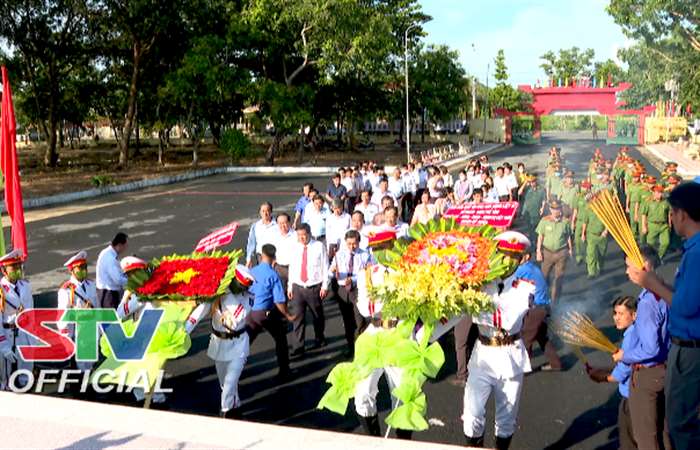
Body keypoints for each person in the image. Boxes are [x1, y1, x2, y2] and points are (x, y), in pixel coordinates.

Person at [626, 182, 700, 450]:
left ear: (680, 214)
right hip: (686, 349)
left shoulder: (697, 252)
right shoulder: (692, 248)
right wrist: (655, 281)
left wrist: (650, 283)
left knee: (682, 424)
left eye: (672, 213)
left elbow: (685, 306)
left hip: (690, 351)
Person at [463, 231, 537, 450]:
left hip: (509, 356)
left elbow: (509, 317)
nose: (507, 261)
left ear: (522, 259)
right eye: (502, 254)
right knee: (471, 416)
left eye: (513, 257)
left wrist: (477, 290)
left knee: (506, 420)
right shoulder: (478, 282)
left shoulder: (526, 287)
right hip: (483, 354)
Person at [353, 230, 413, 440]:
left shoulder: (408, 272)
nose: (381, 252)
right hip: (375, 332)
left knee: (402, 393)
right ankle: (373, 440)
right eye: (376, 249)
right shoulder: (366, 274)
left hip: (400, 332)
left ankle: (403, 441)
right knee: (362, 391)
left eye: (385, 247)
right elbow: (365, 308)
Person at [612, 247, 671, 450]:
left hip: (648, 373)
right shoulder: (663, 289)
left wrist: (625, 356)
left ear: (645, 266)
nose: (626, 271)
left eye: (629, 267)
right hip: (666, 369)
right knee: (663, 430)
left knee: (645, 435)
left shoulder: (646, 302)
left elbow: (650, 349)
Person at [185, 265, 255, 418]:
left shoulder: (248, 297)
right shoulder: (216, 295)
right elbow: (198, 313)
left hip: (238, 345)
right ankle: (235, 407)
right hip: (219, 344)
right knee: (225, 383)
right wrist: (185, 331)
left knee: (230, 382)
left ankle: (224, 412)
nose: (243, 288)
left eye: (245, 286)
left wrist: (225, 294)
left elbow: (237, 318)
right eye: (240, 285)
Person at [585, 296, 638, 450]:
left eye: (621, 314)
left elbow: (621, 373)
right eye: (615, 313)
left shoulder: (631, 338)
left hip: (632, 397)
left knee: (629, 439)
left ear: (634, 315)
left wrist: (600, 377)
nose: (616, 318)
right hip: (636, 394)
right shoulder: (636, 331)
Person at [246, 244, 294, 380]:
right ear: (274, 257)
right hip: (265, 313)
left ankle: (235, 369)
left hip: (251, 312)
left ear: (261, 256)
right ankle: (284, 371)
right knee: (280, 338)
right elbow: (279, 300)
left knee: (245, 342)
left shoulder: (253, 271)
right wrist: (287, 315)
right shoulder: (273, 275)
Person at [288, 223, 329, 357]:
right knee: (298, 318)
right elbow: (292, 268)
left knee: (317, 315)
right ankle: (298, 346)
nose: (301, 238)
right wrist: (290, 286)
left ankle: (319, 338)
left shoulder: (319, 246)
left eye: (304, 235)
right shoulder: (294, 247)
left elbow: (325, 267)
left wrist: (325, 286)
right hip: (298, 287)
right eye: (299, 236)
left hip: (314, 287)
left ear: (309, 234)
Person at [516, 251, 562, 371]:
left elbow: (508, 281)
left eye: (518, 256)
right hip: (544, 308)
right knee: (542, 337)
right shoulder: (531, 267)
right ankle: (556, 364)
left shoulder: (522, 269)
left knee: (525, 339)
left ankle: (522, 369)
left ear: (527, 256)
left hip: (536, 309)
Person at [329, 230, 370, 357]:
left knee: (360, 320)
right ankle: (350, 346)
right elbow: (331, 272)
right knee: (347, 320)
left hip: (357, 289)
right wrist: (332, 271)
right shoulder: (339, 254)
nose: (352, 246)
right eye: (349, 244)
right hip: (342, 290)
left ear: (359, 242)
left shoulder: (365, 255)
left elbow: (367, 273)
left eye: (354, 244)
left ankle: (361, 347)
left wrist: (352, 279)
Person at [57, 250, 98, 373]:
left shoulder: (91, 284)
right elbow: (63, 315)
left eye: (85, 267)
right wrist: (66, 337)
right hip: (76, 331)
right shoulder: (66, 290)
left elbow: (97, 307)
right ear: (72, 270)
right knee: (79, 367)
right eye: (80, 267)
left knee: (90, 364)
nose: (83, 270)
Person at [0, 250, 34, 390]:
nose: (17, 270)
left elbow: (31, 312)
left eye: (18, 266)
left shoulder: (25, 285)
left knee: (25, 372)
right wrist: (3, 345)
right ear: (4, 270)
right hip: (8, 334)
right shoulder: (1, 289)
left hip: (24, 334)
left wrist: (33, 337)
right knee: (6, 377)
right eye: (13, 267)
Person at [535, 200, 572, 302]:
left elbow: (568, 236)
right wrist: (538, 251)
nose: (556, 211)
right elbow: (540, 236)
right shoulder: (544, 221)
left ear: (561, 210)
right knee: (544, 277)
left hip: (561, 252)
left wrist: (570, 249)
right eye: (554, 209)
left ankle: (555, 302)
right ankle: (542, 298)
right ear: (550, 209)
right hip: (547, 253)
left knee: (559, 278)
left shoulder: (565, 222)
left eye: (558, 209)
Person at [96, 232, 128, 308]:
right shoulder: (111, 259)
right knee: (112, 318)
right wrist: (131, 280)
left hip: (103, 293)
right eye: (125, 246)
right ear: (119, 245)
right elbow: (118, 280)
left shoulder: (105, 252)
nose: (125, 248)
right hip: (110, 296)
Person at [581, 192, 609, 278]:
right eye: (589, 201)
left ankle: (600, 268)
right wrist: (583, 234)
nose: (591, 201)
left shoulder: (604, 209)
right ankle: (591, 272)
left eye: (592, 199)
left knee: (601, 254)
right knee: (591, 254)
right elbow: (585, 222)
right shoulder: (588, 209)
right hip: (591, 235)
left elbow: (609, 221)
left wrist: (606, 230)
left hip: (602, 236)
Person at [641, 185, 672, 260]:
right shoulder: (648, 202)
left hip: (664, 225)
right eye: (658, 193)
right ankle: (647, 259)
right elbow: (644, 214)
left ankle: (659, 257)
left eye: (661, 192)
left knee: (666, 242)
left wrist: (670, 224)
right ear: (654, 193)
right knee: (650, 244)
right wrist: (644, 226)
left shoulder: (665, 202)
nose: (660, 194)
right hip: (652, 225)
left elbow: (669, 213)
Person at [246, 202, 277, 267]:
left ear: (271, 212)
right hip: (260, 256)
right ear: (260, 212)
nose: (265, 213)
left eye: (267, 211)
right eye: (263, 211)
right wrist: (249, 259)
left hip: (274, 257)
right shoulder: (256, 226)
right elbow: (251, 243)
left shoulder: (277, 225)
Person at [272, 213, 296, 294]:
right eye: (280, 223)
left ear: (289, 222)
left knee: (294, 293)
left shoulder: (296, 235)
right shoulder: (274, 236)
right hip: (279, 268)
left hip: (293, 269)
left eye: (285, 222)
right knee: (281, 294)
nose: (282, 225)